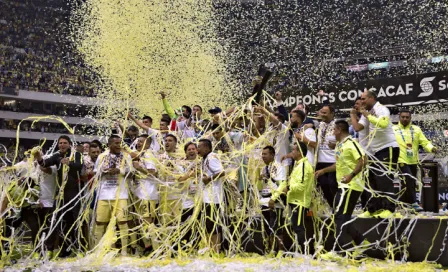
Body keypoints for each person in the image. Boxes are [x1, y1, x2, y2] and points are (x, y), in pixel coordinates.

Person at [320, 120, 369, 260]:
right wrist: (323, 170)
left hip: (351, 186)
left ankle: (337, 251)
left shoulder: (352, 143)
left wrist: (351, 175)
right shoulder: (340, 145)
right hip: (344, 186)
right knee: (342, 217)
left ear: (339, 130)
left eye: (333, 130)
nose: (332, 133)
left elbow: (363, 160)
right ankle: (361, 243)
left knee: (340, 216)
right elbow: (338, 164)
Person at [32, 135, 84, 257]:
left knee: (75, 222)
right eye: (60, 143)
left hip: (74, 194)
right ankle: (63, 249)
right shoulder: (57, 156)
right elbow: (45, 163)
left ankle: (78, 248)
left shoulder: (76, 154)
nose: (62, 145)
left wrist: (69, 163)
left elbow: (79, 166)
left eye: (65, 143)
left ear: (69, 144)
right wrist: (39, 158)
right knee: (60, 222)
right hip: (61, 195)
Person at [357, 90, 400, 218]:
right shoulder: (368, 112)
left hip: (388, 148)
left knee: (385, 179)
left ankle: (390, 209)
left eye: (364, 99)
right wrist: (355, 114)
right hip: (374, 151)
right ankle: (373, 209)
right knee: (373, 180)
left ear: (372, 98)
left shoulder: (382, 109)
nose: (361, 101)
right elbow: (358, 127)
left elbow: (383, 124)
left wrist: (366, 115)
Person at [93, 135, 134, 256]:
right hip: (104, 195)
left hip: (121, 195)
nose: (118, 145)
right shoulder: (102, 157)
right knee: (100, 222)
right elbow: (95, 175)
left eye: (119, 143)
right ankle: (98, 251)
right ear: (109, 144)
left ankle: (125, 252)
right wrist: (104, 172)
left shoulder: (126, 156)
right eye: (116, 143)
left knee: (122, 222)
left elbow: (132, 174)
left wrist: (119, 171)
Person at [393, 109, 437, 211]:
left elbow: (425, 142)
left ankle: (404, 204)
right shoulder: (393, 129)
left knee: (409, 183)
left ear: (410, 118)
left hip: (413, 161)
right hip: (401, 160)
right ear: (399, 118)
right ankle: (413, 202)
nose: (404, 119)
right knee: (409, 179)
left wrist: (431, 148)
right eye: (402, 117)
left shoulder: (416, 129)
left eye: (407, 117)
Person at [282, 142, 314, 253]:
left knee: (299, 228)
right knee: (296, 227)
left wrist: (288, 188)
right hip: (294, 201)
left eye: (294, 150)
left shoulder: (304, 165)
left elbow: (301, 185)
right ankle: (303, 252)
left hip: (300, 202)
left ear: (299, 152)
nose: (292, 152)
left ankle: (306, 253)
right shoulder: (299, 165)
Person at [131, 134, 158, 254]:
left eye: (141, 141)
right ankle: (148, 247)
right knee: (141, 222)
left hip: (148, 193)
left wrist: (139, 168)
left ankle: (156, 249)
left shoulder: (148, 155)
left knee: (148, 222)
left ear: (148, 144)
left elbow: (153, 174)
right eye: (138, 141)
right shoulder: (139, 155)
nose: (138, 143)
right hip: (139, 193)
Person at [258, 146, 287, 254]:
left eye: (265, 154)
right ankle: (271, 250)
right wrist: (259, 180)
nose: (263, 156)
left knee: (277, 227)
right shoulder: (263, 169)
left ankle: (280, 250)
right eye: (262, 154)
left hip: (275, 202)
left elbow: (282, 185)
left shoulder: (279, 167)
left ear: (272, 155)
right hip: (264, 201)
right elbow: (261, 187)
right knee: (267, 228)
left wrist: (273, 199)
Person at [197, 139, 225, 253]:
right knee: (209, 225)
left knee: (214, 225)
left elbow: (222, 172)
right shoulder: (205, 159)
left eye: (199, 147)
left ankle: (216, 249)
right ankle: (212, 248)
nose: (197, 149)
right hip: (207, 197)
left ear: (207, 148)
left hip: (214, 198)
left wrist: (209, 179)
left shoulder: (211, 157)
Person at [312, 105, 338, 208]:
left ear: (332, 114)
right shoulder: (320, 125)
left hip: (333, 161)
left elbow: (345, 140)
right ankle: (333, 207)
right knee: (323, 185)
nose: (322, 115)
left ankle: (338, 207)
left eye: (325, 113)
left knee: (333, 185)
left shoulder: (337, 125)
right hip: (320, 161)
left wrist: (336, 145)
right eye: (321, 112)